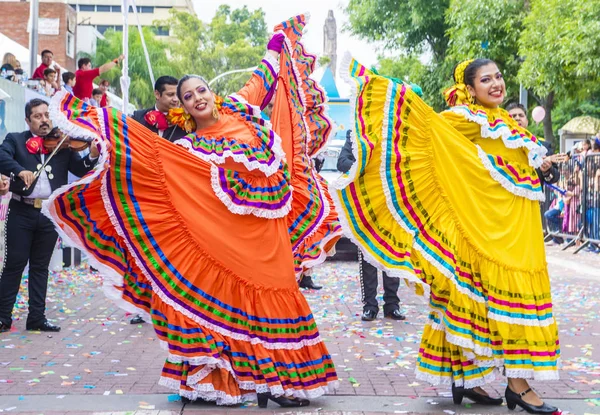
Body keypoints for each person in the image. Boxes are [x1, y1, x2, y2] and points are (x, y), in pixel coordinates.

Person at [43, 15, 337, 406]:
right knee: (227, 300)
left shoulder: (241, 109)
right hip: (228, 239)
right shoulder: (189, 150)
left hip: (269, 234)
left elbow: (264, 77)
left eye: (201, 90)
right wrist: (104, 125)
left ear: (211, 92)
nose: (198, 97)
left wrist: (277, 42)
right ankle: (258, 383)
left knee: (281, 290)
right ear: (181, 106)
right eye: (188, 96)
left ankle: (281, 379)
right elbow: (154, 162)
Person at [333, 56, 560, 414]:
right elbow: (427, 136)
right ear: (470, 89)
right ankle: (517, 385)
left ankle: (468, 379)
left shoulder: (507, 122)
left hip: (516, 228)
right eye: (486, 80)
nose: (496, 84)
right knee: (480, 298)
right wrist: (389, 94)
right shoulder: (463, 119)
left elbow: (523, 168)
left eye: (498, 77)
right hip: (481, 229)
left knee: (483, 300)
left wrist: (542, 166)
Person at [0, 99, 99, 333]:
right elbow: (2, 158)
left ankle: (36, 317)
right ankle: (3, 317)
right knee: (14, 264)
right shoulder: (15, 140)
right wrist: (18, 170)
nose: (44, 120)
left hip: (47, 213)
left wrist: (92, 155)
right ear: (28, 120)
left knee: (40, 266)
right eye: (37, 116)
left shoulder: (62, 144)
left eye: (46, 115)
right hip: (21, 211)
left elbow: (82, 168)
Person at [337, 129, 406, 321]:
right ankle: (370, 306)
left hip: (390, 206)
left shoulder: (393, 132)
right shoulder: (355, 133)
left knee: (391, 255)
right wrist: (365, 168)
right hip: (365, 206)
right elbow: (341, 162)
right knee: (367, 256)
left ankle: (392, 305)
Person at [132, 76, 188, 142]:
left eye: (178, 95)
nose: (176, 99)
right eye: (170, 94)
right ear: (157, 94)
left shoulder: (185, 123)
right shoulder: (138, 118)